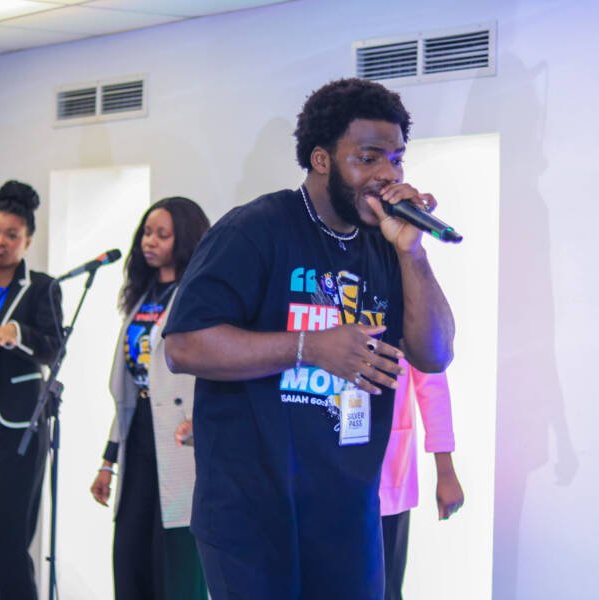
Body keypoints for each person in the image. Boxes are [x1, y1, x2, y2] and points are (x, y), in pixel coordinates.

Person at [163, 78, 455, 600]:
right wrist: (309, 347)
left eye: (396, 160)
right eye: (368, 158)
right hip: (250, 513)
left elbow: (434, 354)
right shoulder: (255, 229)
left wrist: (412, 251)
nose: (387, 175)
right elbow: (183, 345)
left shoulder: (387, 245)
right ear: (322, 160)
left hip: (348, 512)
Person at [90, 197, 210, 600]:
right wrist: (107, 461)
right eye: (146, 232)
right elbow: (125, 389)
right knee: (131, 548)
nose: (150, 242)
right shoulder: (140, 298)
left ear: (185, 239)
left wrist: (201, 419)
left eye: (162, 234)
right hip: (138, 428)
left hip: (180, 436)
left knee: (174, 554)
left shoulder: (197, 294)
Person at [0, 180, 63, 600]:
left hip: (18, 425)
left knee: (9, 536)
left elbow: (54, 348)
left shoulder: (42, 287)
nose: (1, 242)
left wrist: (17, 334)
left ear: (28, 240)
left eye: (12, 234)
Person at [380, 361, 464, 600]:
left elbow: (431, 379)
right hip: (318, 471)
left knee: (385, 587)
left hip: (386, 477)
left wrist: (445, 469)